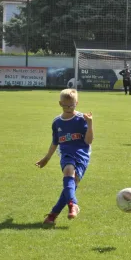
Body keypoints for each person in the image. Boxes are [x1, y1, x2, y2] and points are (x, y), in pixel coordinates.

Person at [35, 89, 94, 228]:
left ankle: (53, 215)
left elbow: (89, 140)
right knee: (68, 172)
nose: (68, 108)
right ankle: (73, 205)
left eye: (71, 105)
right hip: (66, 153)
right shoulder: (57, 122)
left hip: (81, 154)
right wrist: (46, 158)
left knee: (71, 185)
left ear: (77, 103)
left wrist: (90, 123)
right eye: (65, 105)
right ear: (60, 103)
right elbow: (55, 142)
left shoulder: (81, 119)